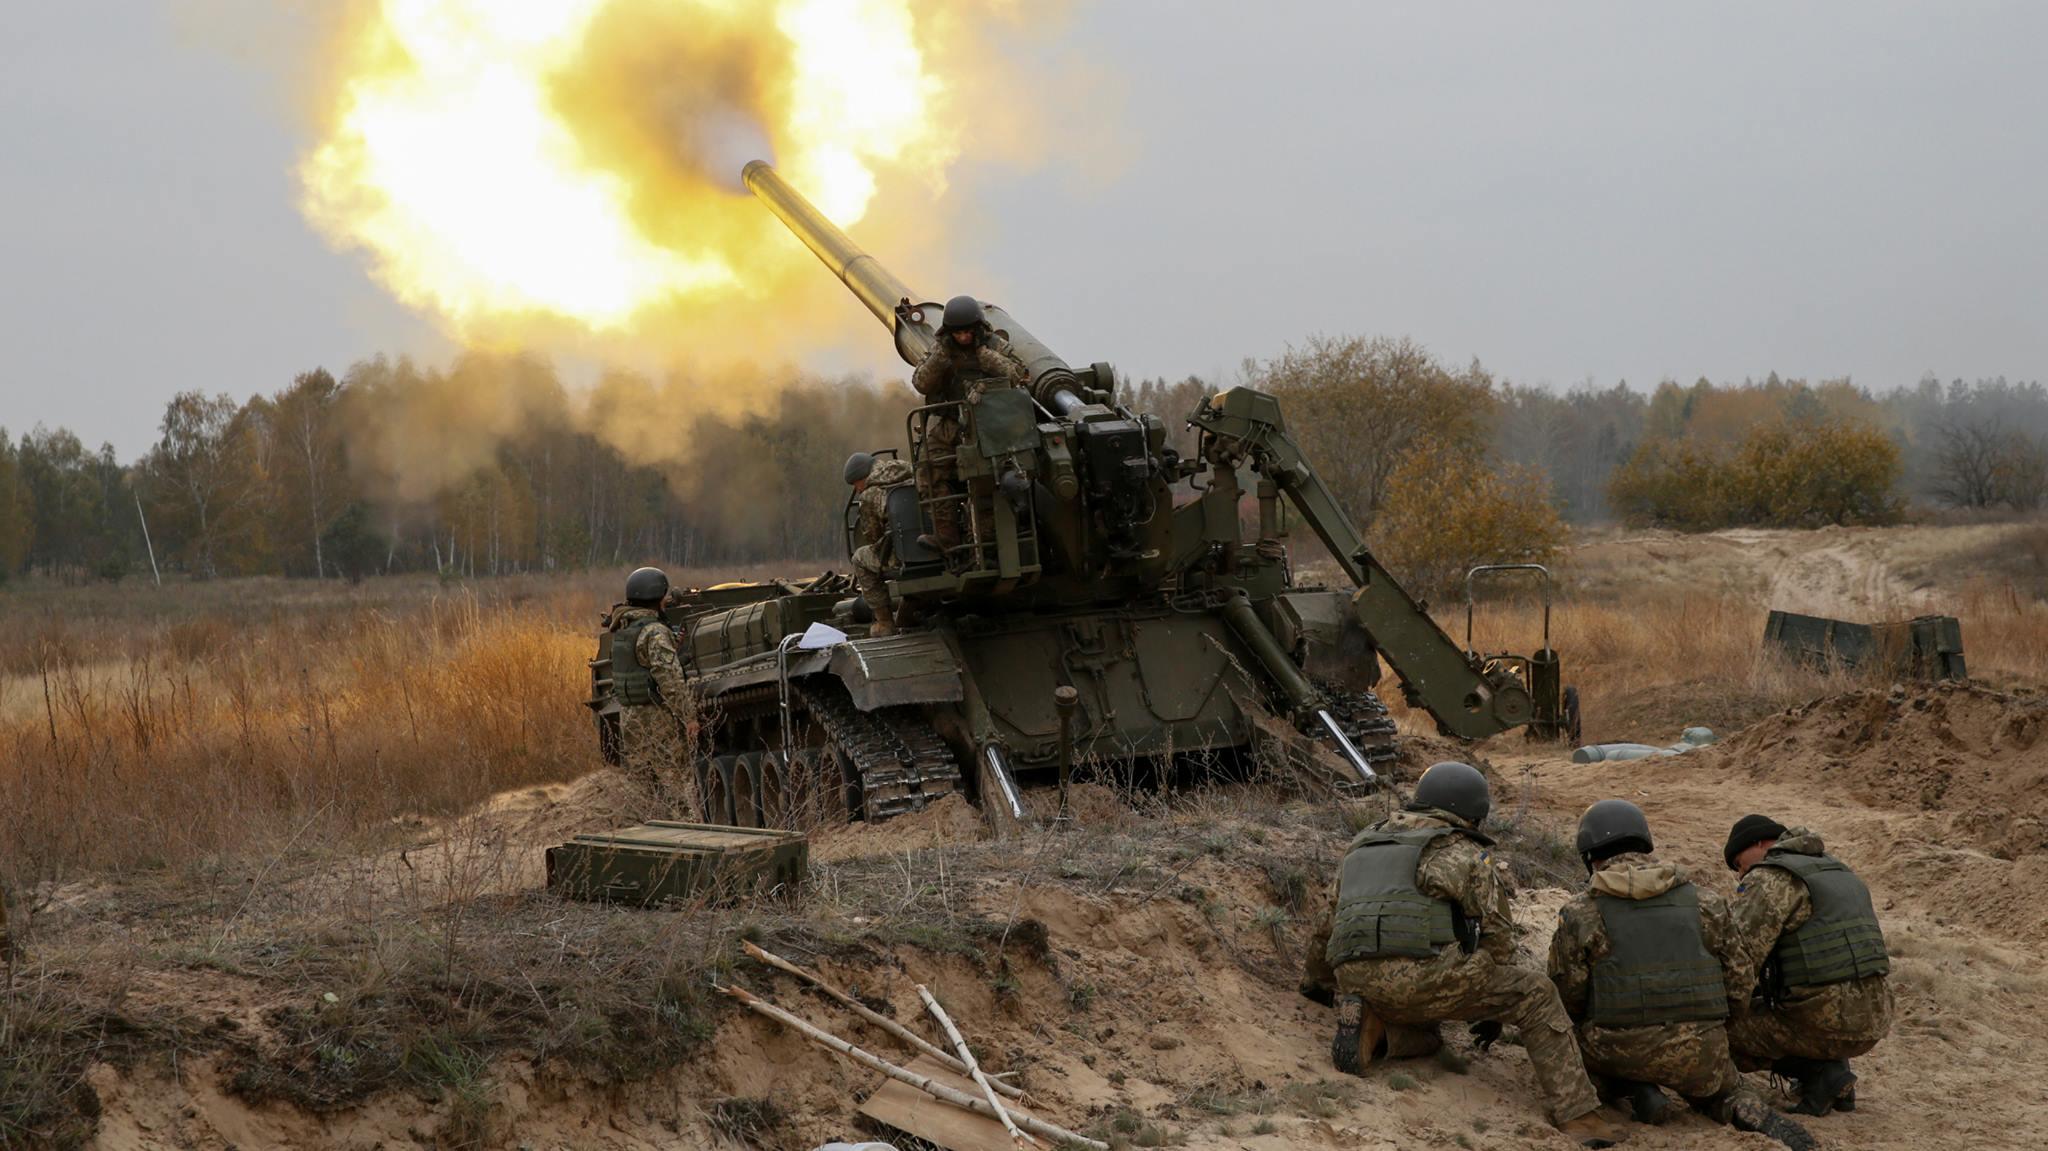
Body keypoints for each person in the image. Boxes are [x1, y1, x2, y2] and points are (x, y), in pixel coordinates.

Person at [1302, 762, 1629, 1148]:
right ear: (1473, 815)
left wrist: (1317, 983)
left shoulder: (1361, 844)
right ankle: (1580, 1116)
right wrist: (1491, 1007)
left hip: (1356, 979)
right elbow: (1499, 938)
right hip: (1428, 980)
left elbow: (1327, 924)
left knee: (1432, 1036)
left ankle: (1380, 1029)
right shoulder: (1465, 853)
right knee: (1536, 994)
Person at [1548, 801, 1813, 1149]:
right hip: (1700, 1050)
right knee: (1725, 1086)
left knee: (1577, 1051)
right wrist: (1715, 1027)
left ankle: (1633, 1088)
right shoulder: (1705, 902)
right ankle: (1741, 1106)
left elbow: (1568, 996)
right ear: (1644, 846)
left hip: (1616, 1048)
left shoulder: (1580, 912)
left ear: (1591, 857)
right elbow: (1740, 980)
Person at [1723, 815, 1894, 1115]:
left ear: (1761, 843)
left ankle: (1818, 1073)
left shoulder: (1771, 878)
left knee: (1719, 1031)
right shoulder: (1840, 871)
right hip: (1876, 1019)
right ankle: (1834, 1072)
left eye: (1739, 862)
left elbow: (1738, 961)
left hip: (1823, 1022)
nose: (1740, 874)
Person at [909, 295, 1028, 559]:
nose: (963, 337)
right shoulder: (940, 350)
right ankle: (947, 537)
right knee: (928, 470)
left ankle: (988, 543)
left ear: (977, 329)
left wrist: (987, 360)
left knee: (987, 480)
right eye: (958, 332)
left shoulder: (994, 346)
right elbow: (920, 382)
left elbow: (1019, 375)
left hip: (990, 427)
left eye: (967, 331)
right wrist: (939, 360)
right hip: (952, 424)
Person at [607, 566, 698, 816]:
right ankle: (681, 830)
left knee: (644, 785)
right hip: (657, 718)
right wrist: (689, 716)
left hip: (630, 717)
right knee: (674, 781)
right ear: (658, 597)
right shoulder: (654, 631)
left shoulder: (623, 627)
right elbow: (668, 678)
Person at [844, 451, 915, 636]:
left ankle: (884, 621)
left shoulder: (869, 495)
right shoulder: (906, 470)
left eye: (855, 484)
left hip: (901, 555)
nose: (857, 489)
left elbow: (873, 537)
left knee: (860, 558)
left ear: (862, 477)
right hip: (934, 546)